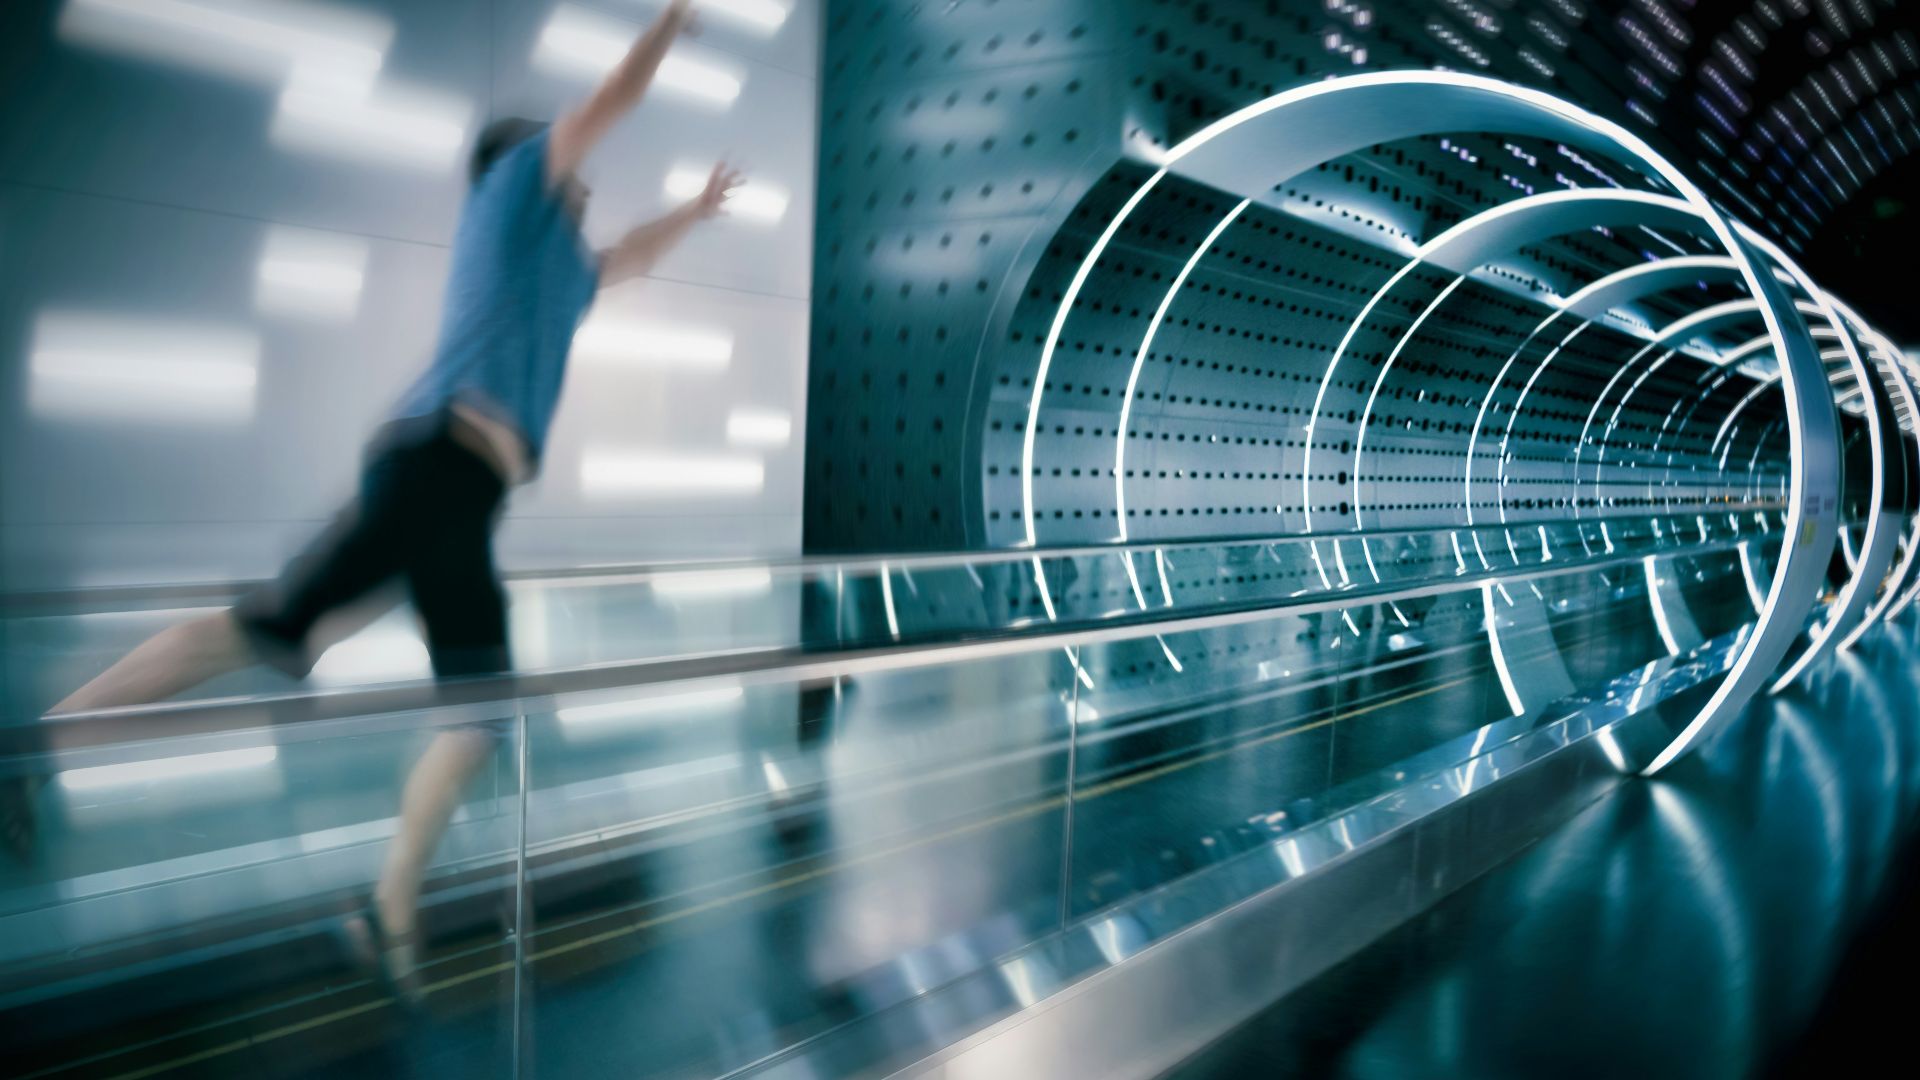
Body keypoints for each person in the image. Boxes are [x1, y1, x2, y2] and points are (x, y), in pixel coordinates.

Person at [4, 0, 739, 1001]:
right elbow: (611, 98)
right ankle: (374, 902)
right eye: (575, 169)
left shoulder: (562, 269)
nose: (588, 187)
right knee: (388, 675)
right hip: (437, 470)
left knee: (321, 650)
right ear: (529, 164)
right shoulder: (513, 194)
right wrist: (668, 24)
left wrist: (695, 212)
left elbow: (633, 256)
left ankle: (368, 899)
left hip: (453, 490)